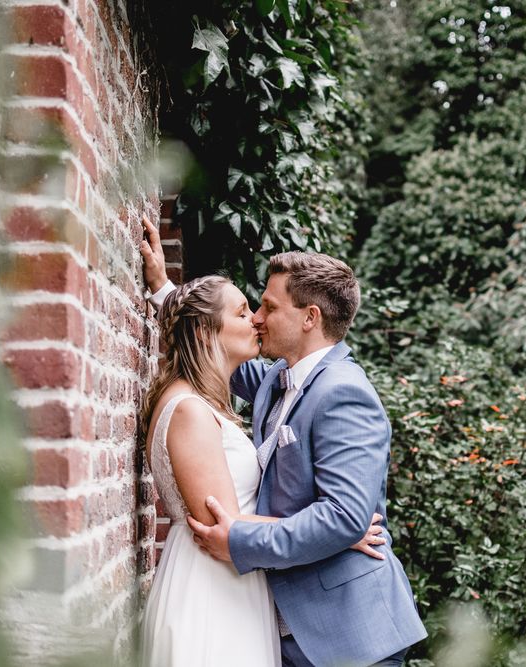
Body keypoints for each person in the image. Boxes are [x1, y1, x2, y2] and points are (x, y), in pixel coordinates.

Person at [141, 220, 427, 667]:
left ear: (310, 317)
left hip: (349, 635)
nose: (257, 317)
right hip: (284, 629)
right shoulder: (277, 378)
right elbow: (211, 348)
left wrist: (247, 539)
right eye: (251, 309)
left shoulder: (344, 393)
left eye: (268, 307)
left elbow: (345, 517)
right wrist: (164, 291)